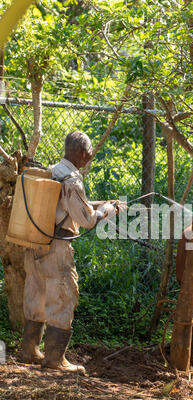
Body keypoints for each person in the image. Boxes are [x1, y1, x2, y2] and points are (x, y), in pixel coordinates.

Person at [19, 130, 126, 374]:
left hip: (35, 244)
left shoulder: (52, 171)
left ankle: (29, 350)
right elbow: (87, 220)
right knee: (64, 296)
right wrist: (108, 210)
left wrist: (100, 204)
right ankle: (55, 359)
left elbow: (68, 207)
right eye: (88, 153)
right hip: (57, 247)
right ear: (81, 154)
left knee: (37, 294)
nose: (89, 157)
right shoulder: (73, 180)